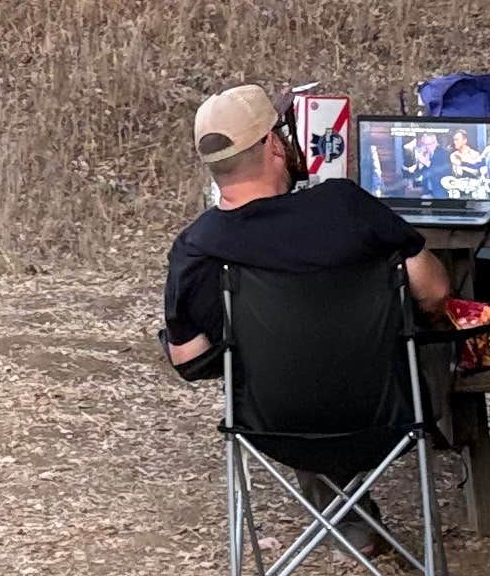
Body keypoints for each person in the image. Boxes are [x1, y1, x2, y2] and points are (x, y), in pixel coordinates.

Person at [159, 83, 459, 381]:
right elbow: (435, 292)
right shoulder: (347, 206)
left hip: (265, 410)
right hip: (380, 406)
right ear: (274, 144)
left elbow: (190, 360)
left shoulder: (196, 247)